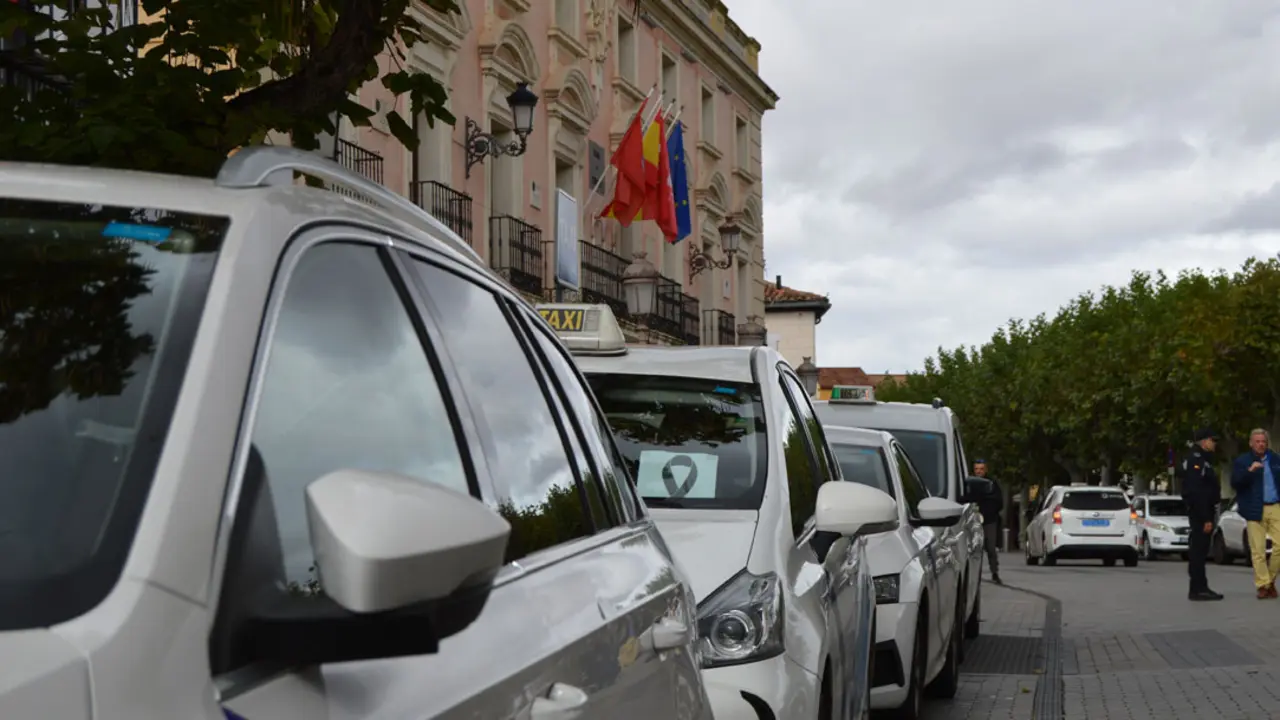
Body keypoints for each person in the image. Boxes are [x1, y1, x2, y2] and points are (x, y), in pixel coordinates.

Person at [1230, 429, 1280, 599]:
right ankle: (1263, 585)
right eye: (1257, 441)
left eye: (1263, 441)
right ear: (1251, 443)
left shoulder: (1275, 459)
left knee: (1279, 546)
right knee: (1257, 550)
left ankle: (1269, 581)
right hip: (1254, 507)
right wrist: (1249, 471)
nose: (1261, 444)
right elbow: (1235, 482)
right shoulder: (1243, 461)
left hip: (1275, 506)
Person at [1181, 428, 1223, 601]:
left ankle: (1200, 586)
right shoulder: (1196, 460)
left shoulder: (1202, 459)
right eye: (1213, 440)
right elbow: (1197, 491)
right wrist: (1205, 517)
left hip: (1202, 510)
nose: (1214, 444)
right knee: (1198, 551)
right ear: (1204, 441)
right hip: (1200, 512)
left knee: (1200, 550)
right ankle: (1198, 588)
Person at [970, 459, 1003, 585]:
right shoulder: (970, 483)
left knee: (990, 548)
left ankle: (995, 572)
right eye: (977, 469)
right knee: (972, 549)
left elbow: (999, 502)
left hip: (989, 520)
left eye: (981, 469)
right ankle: (973, 575)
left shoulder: (992, 484)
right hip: (972, 521)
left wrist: (988, 510)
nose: (979, 471)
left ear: (986, 470)